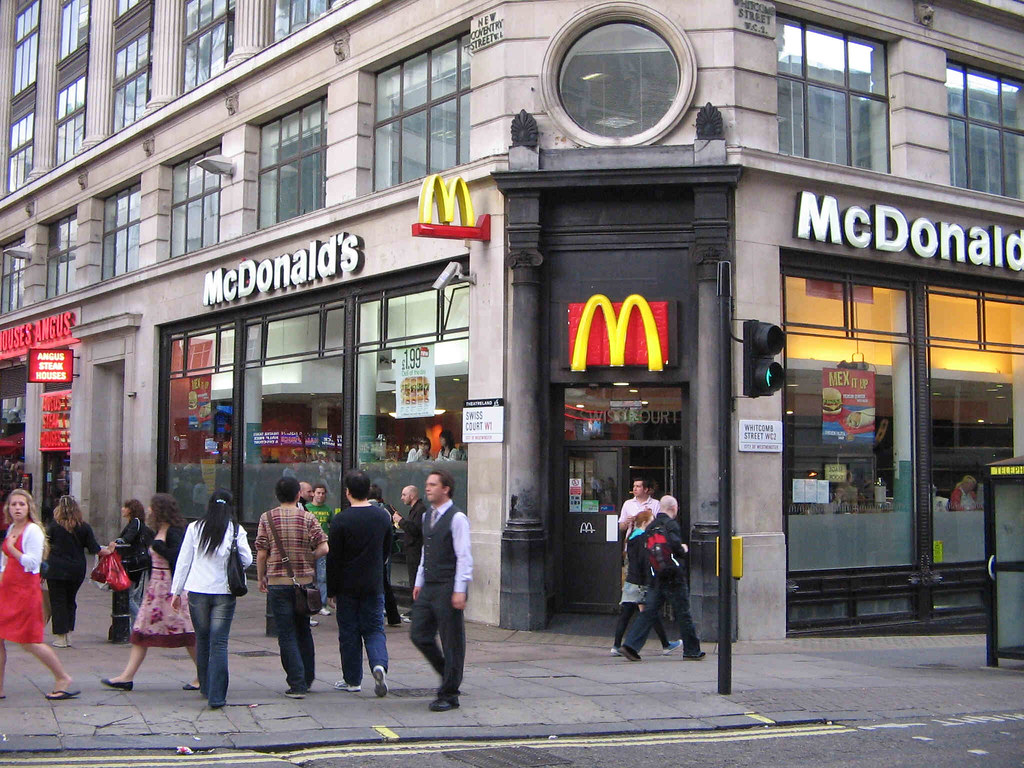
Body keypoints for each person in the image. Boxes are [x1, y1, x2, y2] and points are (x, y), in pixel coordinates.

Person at [101, 494, 199, 691]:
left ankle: (203, 673)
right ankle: (126, 676)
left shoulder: (175, 531)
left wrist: (159, 548)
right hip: (156, 589)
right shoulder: (156, 530)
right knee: (141, 632)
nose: (149, 510)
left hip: (171, 590)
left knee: (187, 633)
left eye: (152, 507)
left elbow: (179, 559)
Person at [170, 491, 253, 709]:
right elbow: (247, 559)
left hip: (197, 590)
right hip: (224, 591)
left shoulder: (195, 528)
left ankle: (205, 686)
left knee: (203, 638)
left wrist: (176, 592)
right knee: (219, 642)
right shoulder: (236, 530)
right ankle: (217, 696)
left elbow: (184, 561)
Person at [0, 490, 79, 700]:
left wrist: (12, 550)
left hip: (25, 592)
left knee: (29, 641)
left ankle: (62, 677)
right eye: (13, 504)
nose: (17, 508)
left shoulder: (32, 530)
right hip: (7, 590)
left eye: (21, 504)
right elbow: (4, 562)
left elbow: (33, 563)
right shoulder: (11, 529)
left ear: (29, 508)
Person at [255, 475, 328, 698]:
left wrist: (261, 577)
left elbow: (261, 552)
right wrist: (309, 558)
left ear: (277, 495)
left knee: (285, 634)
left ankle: (296, 683)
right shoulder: (307, 518)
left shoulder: (267, 518)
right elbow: (324, 548)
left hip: (278, 583)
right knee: (303, 630)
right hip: (303, 584)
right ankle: (307, 677)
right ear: (298, 494)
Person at [410, 469, 473, 712]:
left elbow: (464, 556)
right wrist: (418, 580)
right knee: (419, 634)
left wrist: (460, 589)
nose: (427, 488)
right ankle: (448, 672)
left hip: (448, 585)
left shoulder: (457, 518)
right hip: (429, 584)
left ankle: (449, 694)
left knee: (452, 641)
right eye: (427, 484)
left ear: (445, 489)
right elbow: (426, 551)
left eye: (433, 484)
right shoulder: (428, 516)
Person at [327, 471, 394, 697]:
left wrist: (331, 589)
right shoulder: (383, 517)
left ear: (347, 492)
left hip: (346, 585)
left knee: (349, 633)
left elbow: (333, 558)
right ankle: (378, 665)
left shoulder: (340, 520)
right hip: (373, 583)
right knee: (375, 629)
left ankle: (352, 679)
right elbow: (387, 549)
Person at [619, 495, 704, 662]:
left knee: (648, 612)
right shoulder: (671, 525)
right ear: (674, 508)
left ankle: (630, 645)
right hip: (673, 576)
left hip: (656, 576)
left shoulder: (651, 526)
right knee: (683, 612)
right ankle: (692, 650)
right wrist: (683, 549)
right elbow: (675, 547)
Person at [610, 509, 680, 657]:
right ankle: (665, 645)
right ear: (645, 523)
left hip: (631, 580)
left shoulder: (631, 538)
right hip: (640, 582)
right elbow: (644, 561)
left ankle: (616, 645)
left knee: (627, 614)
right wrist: (649, 578)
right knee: (650, 613)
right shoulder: (642, 539)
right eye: (651, 521)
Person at [44, 495, 101, 648]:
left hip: (56, 569)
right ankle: (69, 634)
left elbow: (45, 547)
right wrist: (109, 550)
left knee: (58, 602)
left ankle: (60, 637)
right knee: (70, 601)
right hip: (77, 570)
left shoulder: (54, 527)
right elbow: (94, 548)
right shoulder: (84, 527)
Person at [100, 499, 153, 622]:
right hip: (139, 563)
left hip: (135, 564)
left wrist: (116, 543)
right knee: (135, 597)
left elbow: (127, 538)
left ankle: (141, 622)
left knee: (128, 597)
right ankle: (135, 629)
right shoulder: (136, 523)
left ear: (131, 510)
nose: (122, 509)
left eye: (125, 507)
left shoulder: (135, 522)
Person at [368, 484, 403, 627]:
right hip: (383, 553)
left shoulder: (365, 510)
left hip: (369, 554)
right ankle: (392, 615)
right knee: (385, 584)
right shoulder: (387, 510)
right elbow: (395, 529)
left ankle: (375, 612)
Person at [395, 485, 426, 607]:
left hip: (416, 551)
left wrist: (400, 520)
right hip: (412, 551)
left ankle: (417, 608)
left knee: (415, 580)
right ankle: (415, 606)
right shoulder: (415, 509)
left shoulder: (420, 510)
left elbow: (415, 529)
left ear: (412, 495)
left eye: (404, 495)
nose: (402, 498)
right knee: (413, 580)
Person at [306, 483, 333, 617]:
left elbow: (332, 525)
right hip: (309, 546)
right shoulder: (306, 508)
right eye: (318, 493)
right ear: (313, 494)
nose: (321, 496)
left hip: (322, 546)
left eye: (323, 493)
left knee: (322, 576)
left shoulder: (328, 510)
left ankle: (322, 604)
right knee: (309, 576)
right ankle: (309, 603)